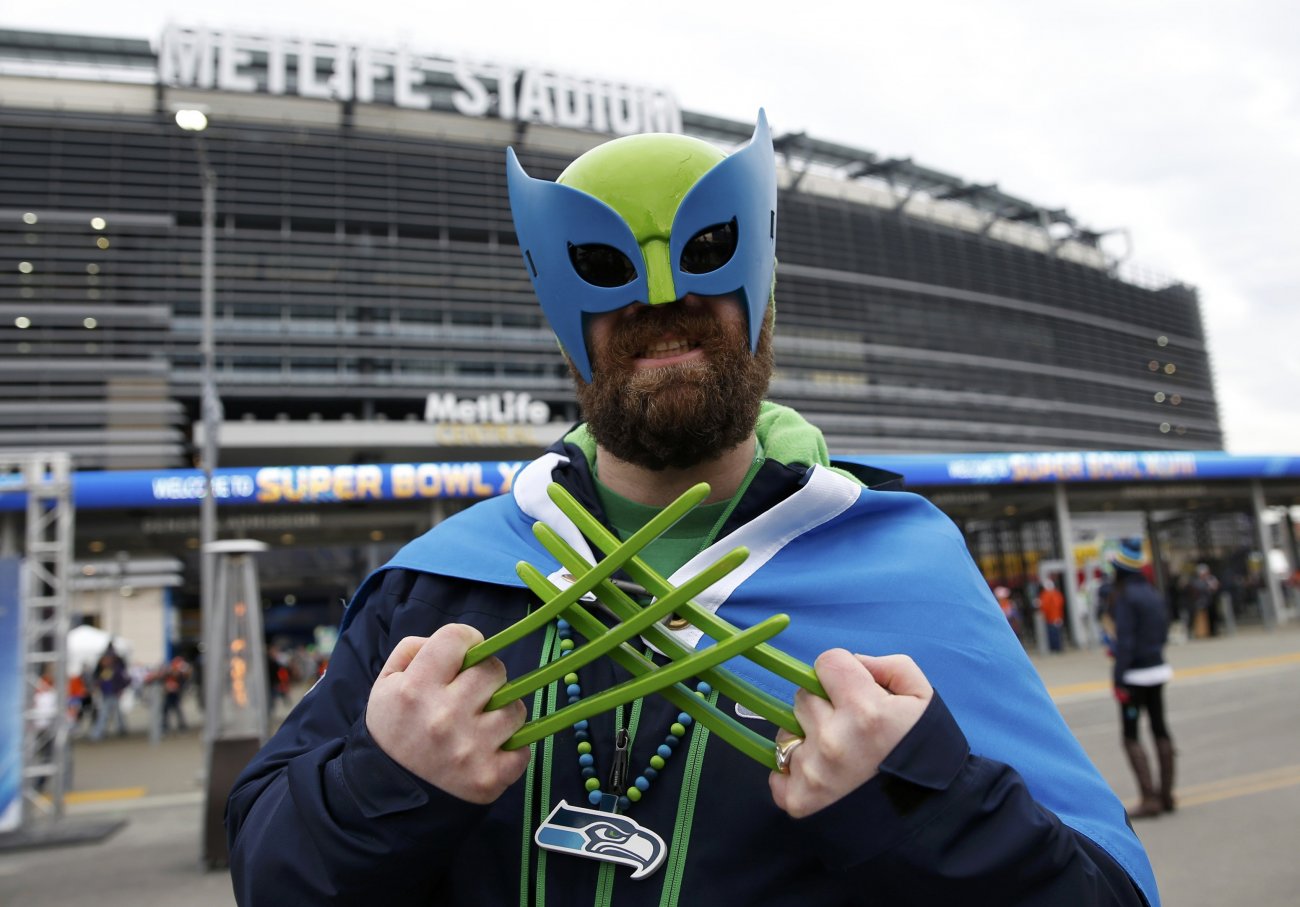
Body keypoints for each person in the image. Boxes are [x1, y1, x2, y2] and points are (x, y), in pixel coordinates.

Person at [227, 112, 1159, 905]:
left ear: (763, 288)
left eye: (709, 254)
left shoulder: (902, 564)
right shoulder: (435, 588)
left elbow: (1109, 890)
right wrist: (382, 785)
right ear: (562, 313)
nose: (663, 293)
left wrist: (924, 801)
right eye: (605, 266)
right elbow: (270, 875)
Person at [1109, 539, 1176, 819]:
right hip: (1157, 670)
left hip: (1134, 676)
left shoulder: (1125, 597)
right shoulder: (1152, 593)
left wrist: (1118, 677)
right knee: (1160, 729)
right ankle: (1166, 795)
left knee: (1130, 735)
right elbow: (1163, 632)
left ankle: (1149, 799)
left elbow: (1125, 641)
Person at [89, 642, 129, 741]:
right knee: (114, 713)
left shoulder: (115, 669)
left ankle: (97, 734)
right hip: (107, 693)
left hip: (112, 693)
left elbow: (123, 680)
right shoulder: (107, 669)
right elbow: (101, 680)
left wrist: (119, 689)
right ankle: (120, 728)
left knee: (106, 713)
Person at [1038, 578, 1066, 653]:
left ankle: (1055, 648)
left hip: (1051, 618)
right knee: (1057, 633)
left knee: (1052, 634)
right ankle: (1058, 648)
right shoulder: (1057, 594)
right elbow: (1060, 604)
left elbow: (1044, 606)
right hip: (1057, 617)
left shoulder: (1045, 595)